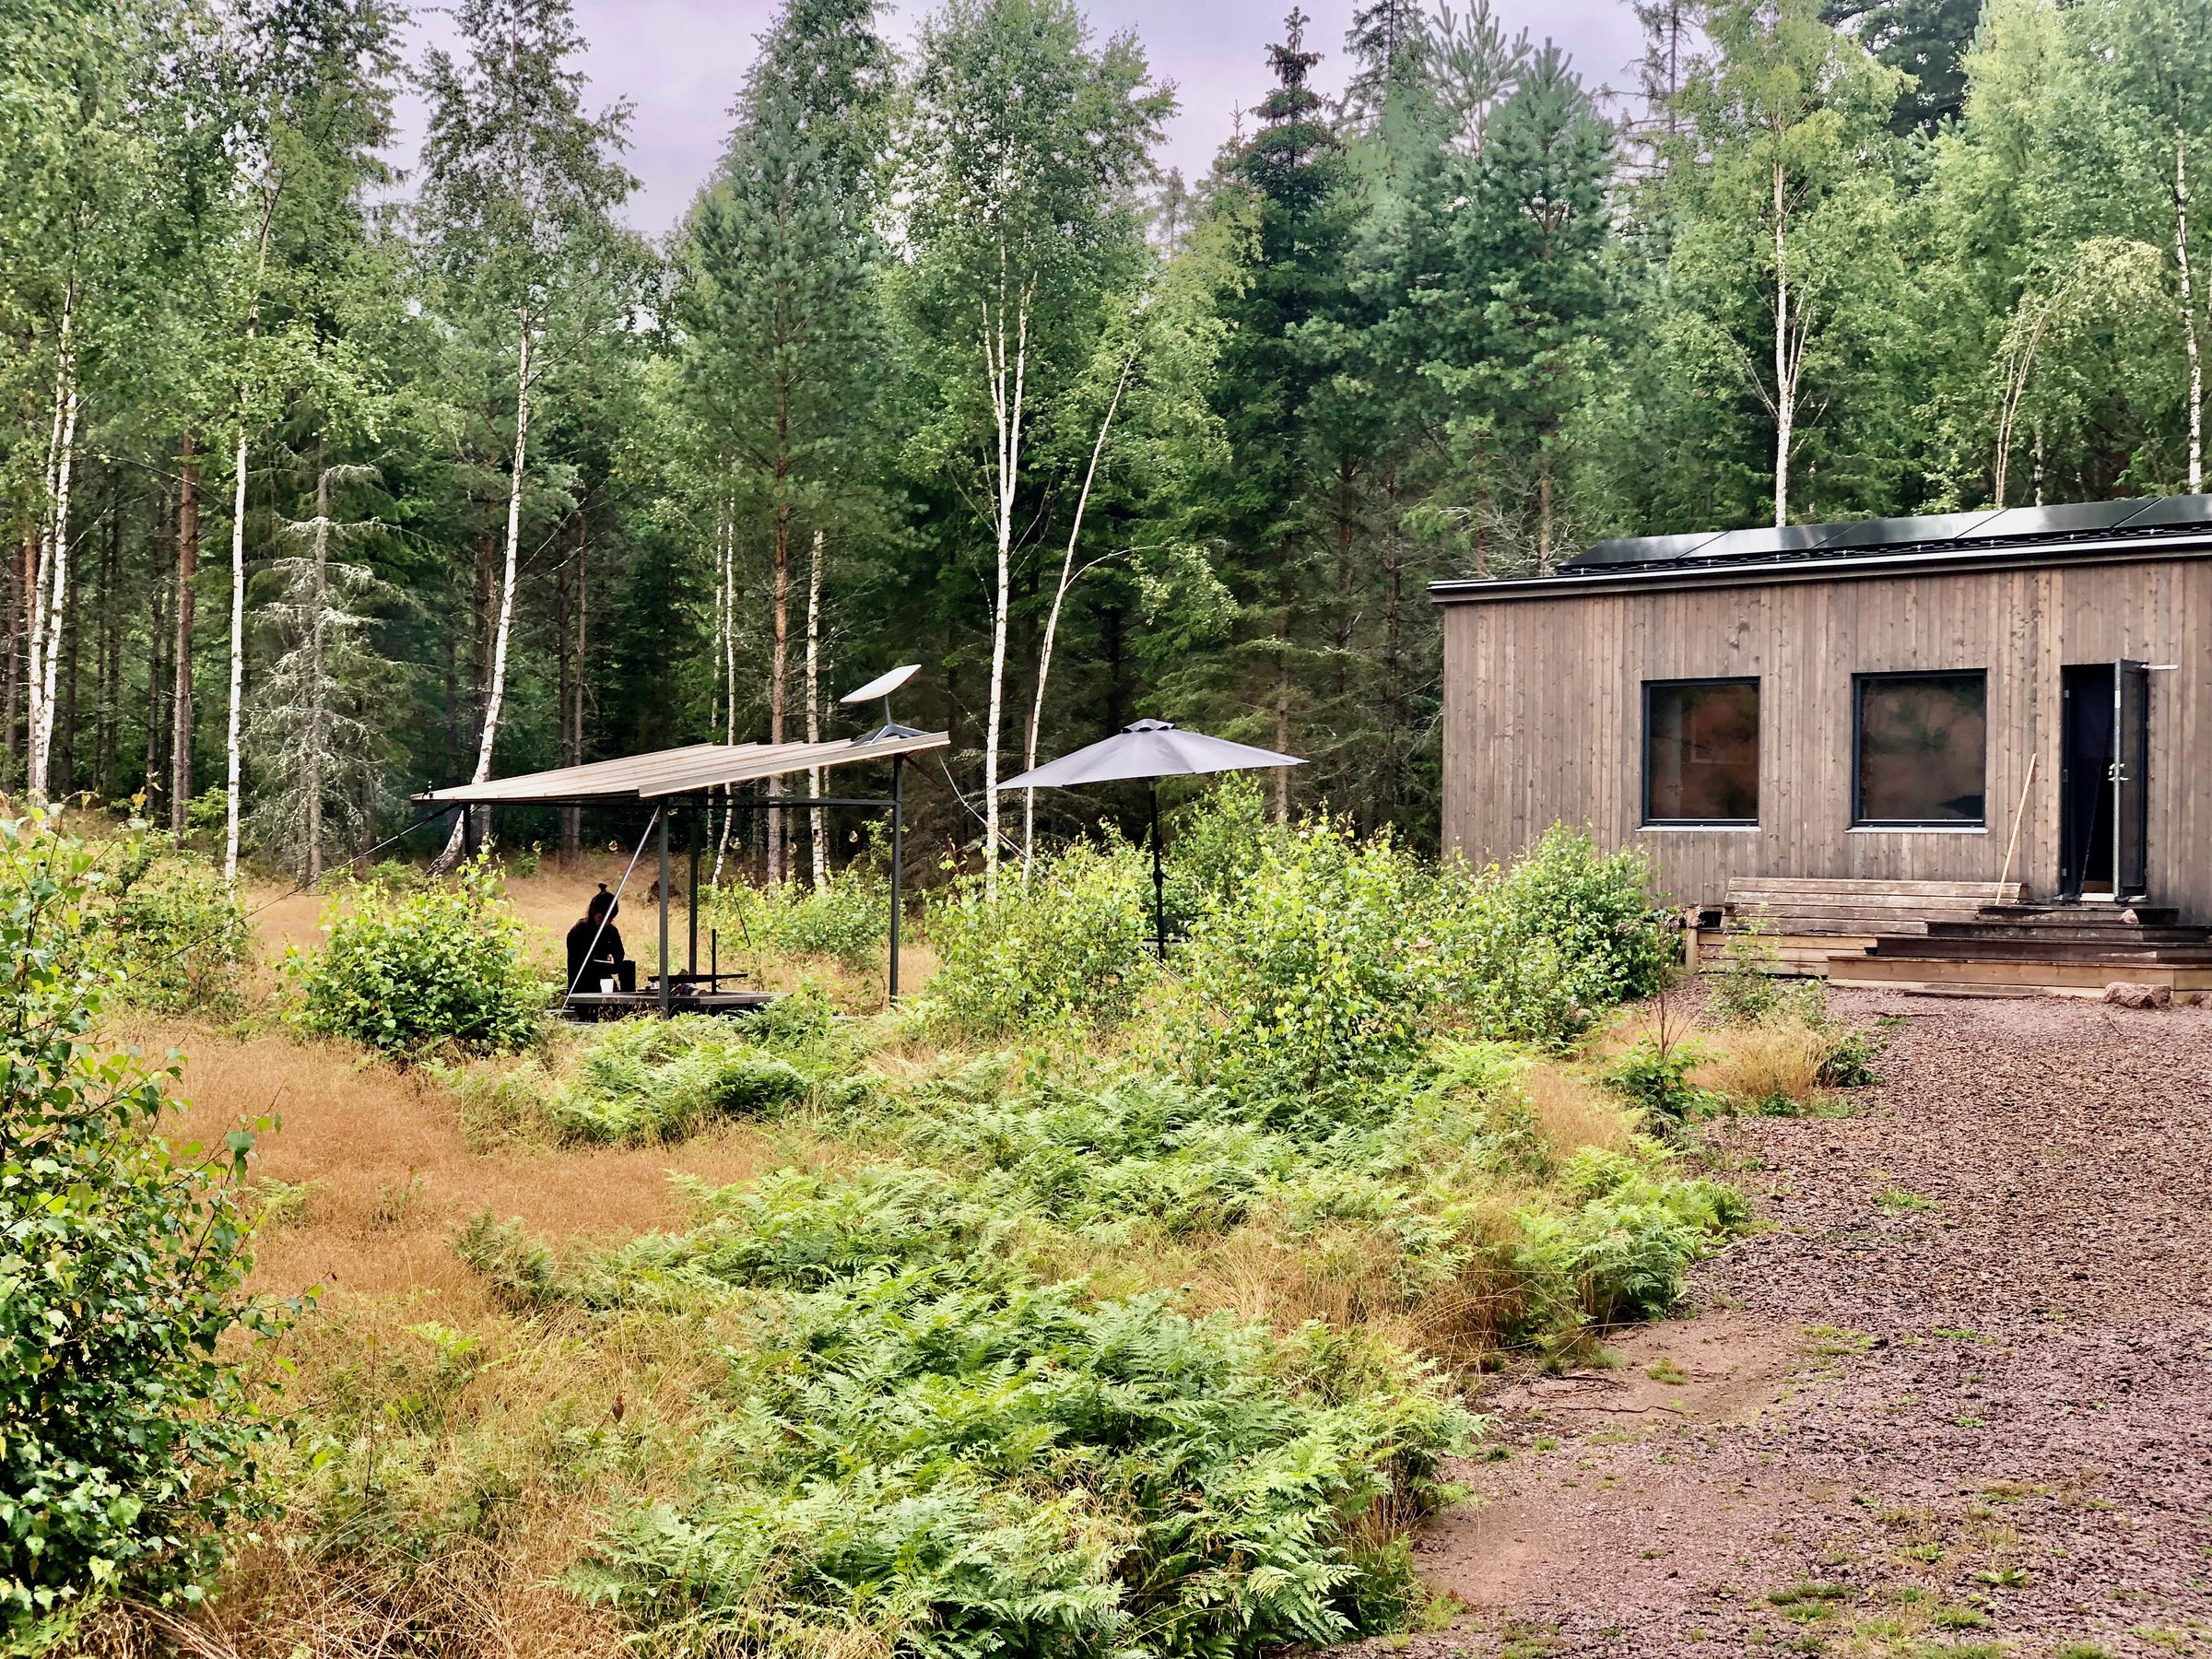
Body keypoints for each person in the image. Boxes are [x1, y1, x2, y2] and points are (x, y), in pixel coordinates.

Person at [565, 886, 635, 994]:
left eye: (610, 919)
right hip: (582, 987)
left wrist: (614, 962)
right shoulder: (579, 931)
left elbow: (619, 956)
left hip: (606, 985)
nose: (606, 923)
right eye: (602, 918)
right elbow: (581, 963)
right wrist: (604, 963)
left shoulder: (612, 931)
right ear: (593, 913)